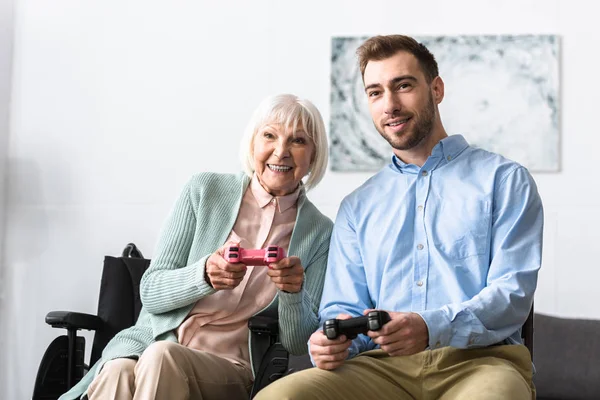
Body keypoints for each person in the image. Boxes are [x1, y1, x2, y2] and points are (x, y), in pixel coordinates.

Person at [255, 35, 543, 400]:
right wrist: (330, 339)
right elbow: (342, 309)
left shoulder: (504, 181)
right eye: (375, 92)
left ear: (436, 89)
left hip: (482, 363)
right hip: (380, 369)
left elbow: (511, 296)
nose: (389, 104)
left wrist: (429, 326)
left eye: (403, 86)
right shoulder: (357, 206)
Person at [59, 94, 333, 400]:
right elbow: (150, 291)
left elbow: (298, 344)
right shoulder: (203, 191)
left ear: (313, 155)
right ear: (253, 143)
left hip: (231, 366)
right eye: (269, 135)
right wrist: (203, 275)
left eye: (297, 140)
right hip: (150, 342)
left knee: (162, 357)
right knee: (118, 371)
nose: (281, 151)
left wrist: (293, 293)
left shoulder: (320, 233)